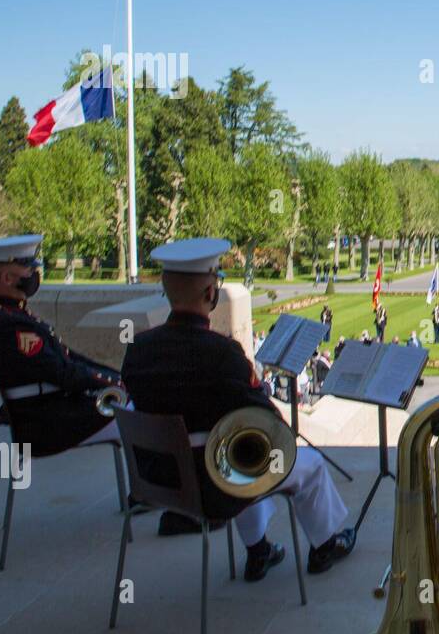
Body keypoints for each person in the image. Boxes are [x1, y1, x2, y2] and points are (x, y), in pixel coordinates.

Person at [121, 238, 356, 576]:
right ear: (210, 293)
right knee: (302, 463)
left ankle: (259, 551)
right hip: (212, 488)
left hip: (157, 482)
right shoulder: (222, 353)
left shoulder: (138, 348)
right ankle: (324, 547)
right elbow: (271, 424)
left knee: (235, 455)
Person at [0, 234, 124, 455]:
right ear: (6, 278)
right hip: (45, 425)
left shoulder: (7, 314)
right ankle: (150, 489)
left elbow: (69, 358)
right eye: (28, 269)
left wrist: (117, 378)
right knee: (142, 420)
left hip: (50, 412)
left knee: (139, 407)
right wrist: (115, 383)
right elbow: (63, 373)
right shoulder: (9, 325)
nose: (34, 274)